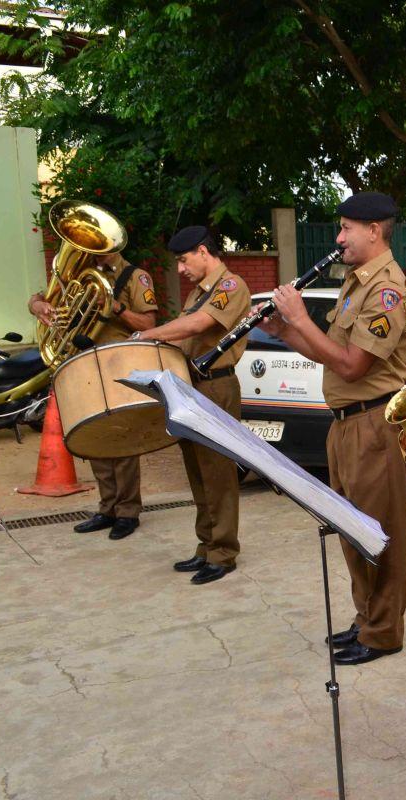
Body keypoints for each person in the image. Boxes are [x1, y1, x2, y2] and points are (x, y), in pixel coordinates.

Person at [259, 191, 406, 666]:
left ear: (374, 231)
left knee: (376, 532)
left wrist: (302, 316)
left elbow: (351, 366)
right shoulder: (356, 283)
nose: (338, 237)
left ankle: (384, 631)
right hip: (345, 424)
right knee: (349, 529)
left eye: (346, 228)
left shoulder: (387, 290)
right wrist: (287, 332)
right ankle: (367, 618)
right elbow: (329, 352)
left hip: (375, 424)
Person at [137, 226, 250, 585]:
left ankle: (223, 552)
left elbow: (199, 324)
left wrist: (147, 334)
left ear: (203, 251)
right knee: (198, 472)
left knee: (218, 472)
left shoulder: (230, 286)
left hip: (216, 387)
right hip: (190, 386)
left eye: (184, 261)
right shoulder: (199, 292)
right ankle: (206, 545)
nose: (181, 269)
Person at [28, 250, 158, 540]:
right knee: (95, 434)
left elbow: (148, 325)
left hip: (118, 362)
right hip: (83, 362)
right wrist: (38, 306)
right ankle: (107, 507)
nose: (92, 249)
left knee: (122, 437)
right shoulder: (79, 273)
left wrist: (115, 308)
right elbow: (37, 297)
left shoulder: (137, 277)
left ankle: (128, 511)